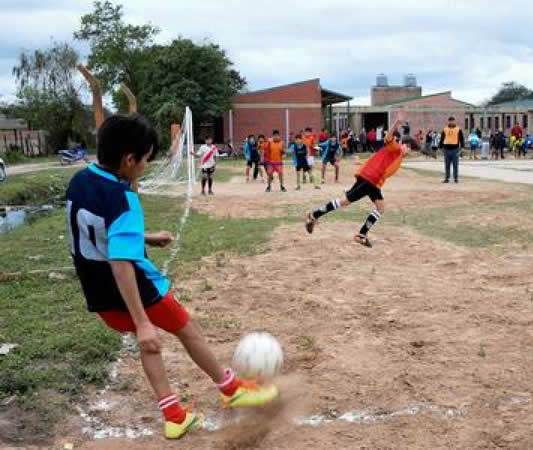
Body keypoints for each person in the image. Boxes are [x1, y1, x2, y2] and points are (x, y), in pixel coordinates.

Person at [64, 115, 279, 440]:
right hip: (133, 289)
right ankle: (230, 388)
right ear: (129, 159)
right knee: (186, 329)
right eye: (146, 160)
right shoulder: (125, 199)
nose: (147, 167)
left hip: (97, 294)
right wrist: (141, 321)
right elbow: (121, 261)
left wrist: (144, 238)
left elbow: (98, 232)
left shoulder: (79, 181)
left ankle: (174, 415)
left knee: (149, 348)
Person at [305, 120, 418, 248]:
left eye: (410, 150)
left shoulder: (399, 156)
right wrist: (396, 123)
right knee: (345, 201)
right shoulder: (395, 148)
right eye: (409, 148)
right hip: (370, 179)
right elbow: (388, 137)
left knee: (377, 207)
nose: (408, 151)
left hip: (372, 182)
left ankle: (360, 234)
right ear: (405, 145)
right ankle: (313, 215)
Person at [440, 116, 465, 183]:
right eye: (450, 121)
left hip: (455, 149)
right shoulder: (445, 129)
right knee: (447, 165)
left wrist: (462, 147)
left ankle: (456, 178)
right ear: (448, 121)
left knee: (455, 164)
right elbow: (442, 138)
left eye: (452, 121)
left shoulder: (458, 129)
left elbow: (461, 139)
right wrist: (440, 147)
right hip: (446, 149)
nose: (451, 122)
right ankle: (446, 178)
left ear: (454, 121)